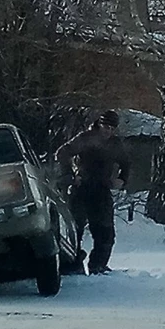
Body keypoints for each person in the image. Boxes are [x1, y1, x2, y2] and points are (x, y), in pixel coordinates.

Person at [56, 110, 130, 275]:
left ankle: (98, 265)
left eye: (112, 128)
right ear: (99, 124)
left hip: (102, 190)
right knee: (75, 230)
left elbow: (126, 162)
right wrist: (69, 176)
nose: (108, 131)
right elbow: (62, 153)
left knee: (105, 232)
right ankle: (72, 265)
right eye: (105, 127)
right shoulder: (85, 138)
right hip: (81, 189)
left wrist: (122, 179)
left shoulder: (115, 144)